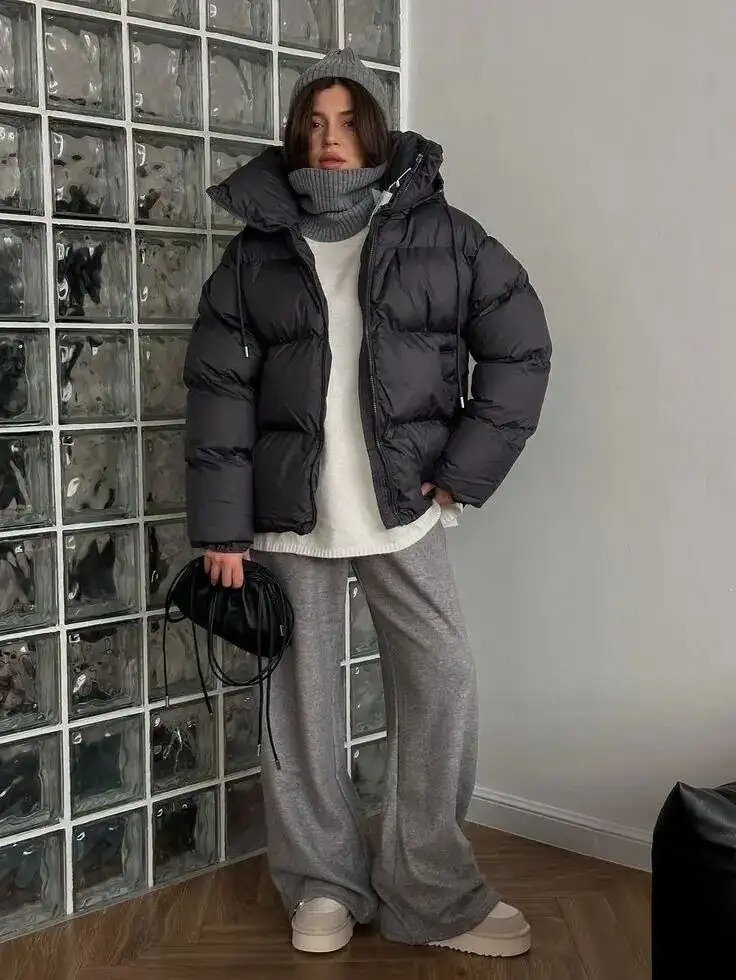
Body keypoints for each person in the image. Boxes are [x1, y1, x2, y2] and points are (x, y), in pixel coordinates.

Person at [184, 48, 551, 959]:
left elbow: (520, 347)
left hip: (401, 508)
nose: (331, 139)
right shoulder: (256, 252)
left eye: (349, 121)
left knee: (442, 682)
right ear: (295, 134)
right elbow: (218, 391)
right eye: (315, 122)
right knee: (299, 710)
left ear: (377, 131)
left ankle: (432, 890)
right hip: (286, 518)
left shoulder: (446, 234)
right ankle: (322, 883)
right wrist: (223, 529)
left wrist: (463, 469)